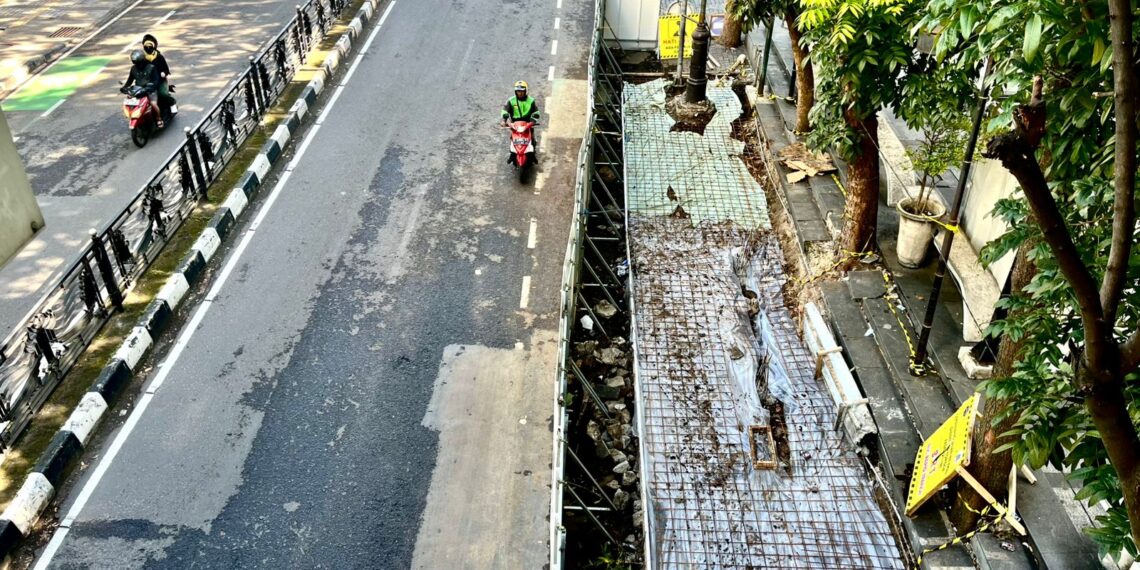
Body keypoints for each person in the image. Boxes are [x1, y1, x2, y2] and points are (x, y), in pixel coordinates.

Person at [501, 80, 541, 162]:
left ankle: (533, 154)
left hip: (528, 123)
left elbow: (536, 112)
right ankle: (512, 154)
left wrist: (532, 121)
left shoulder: (531, 101)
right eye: (518, 91)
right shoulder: (511, 100)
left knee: (532, 139)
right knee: (513, 138)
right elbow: (505, 111)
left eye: (522, 91)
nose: (520, 93)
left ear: (526, 91)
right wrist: (504, 120)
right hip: (515, 123)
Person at [121, 49, 163, 127]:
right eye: (133, 61)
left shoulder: (151, 67)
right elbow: (130, 80)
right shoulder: (133, 68)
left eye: (136, 61)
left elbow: (156, 81)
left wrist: (150, 87)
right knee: (131, 102)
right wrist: (124, 88)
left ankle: (159, 119)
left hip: (150, 90)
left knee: (153, 104)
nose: (134, 63)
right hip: (138, 90)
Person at [141, 34, 176, 115]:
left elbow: (166, 69)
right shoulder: (142, 58)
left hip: (160, 81)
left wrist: (164, 73)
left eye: (150, 46)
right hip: (147, 82)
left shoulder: (159, 57)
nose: (148, 48)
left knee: (162, 95)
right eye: (146, 46)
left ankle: (172, 102)